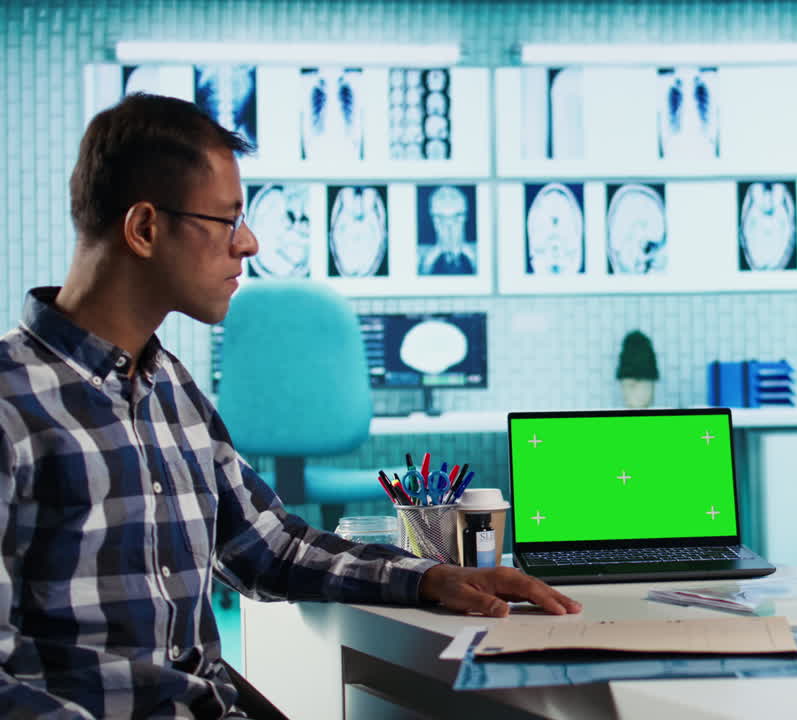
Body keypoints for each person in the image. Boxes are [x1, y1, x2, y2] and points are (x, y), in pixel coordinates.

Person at [0, 93, 580, 718]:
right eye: (227, 220)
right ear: (144, 228)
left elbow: (268, 547)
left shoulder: (170, 387)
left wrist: (429, 578)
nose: (247, 243)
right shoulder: (13, 405)